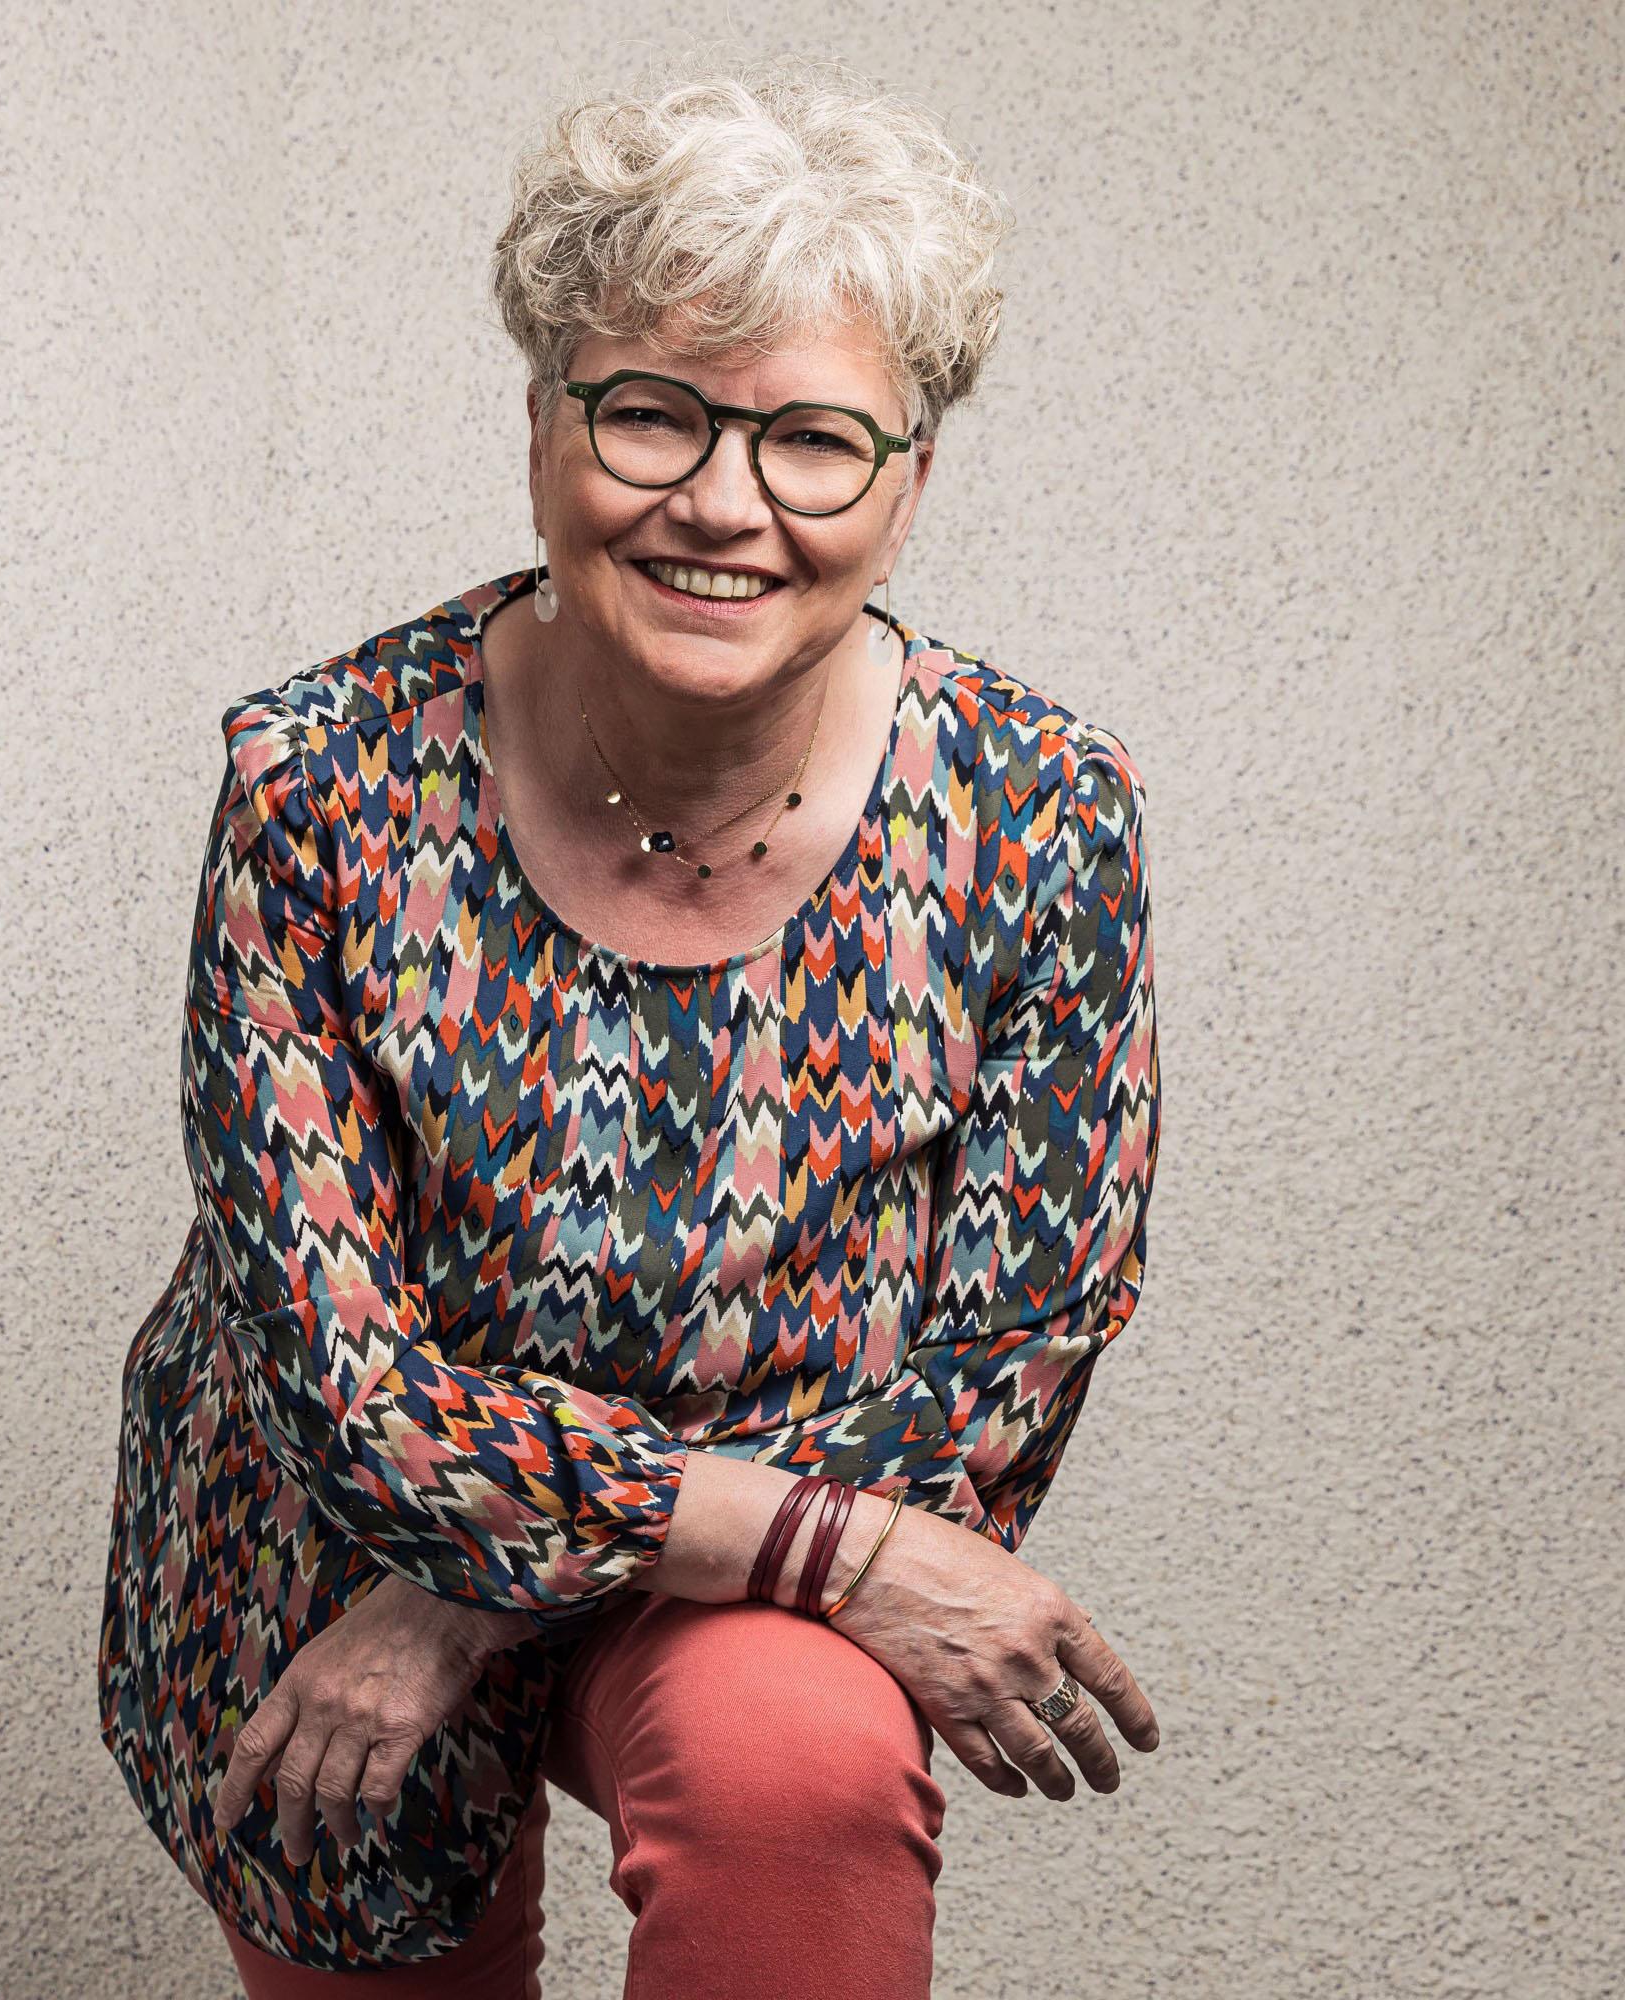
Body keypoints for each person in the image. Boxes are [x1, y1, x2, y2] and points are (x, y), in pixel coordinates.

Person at [98, 52, 1164, 2000]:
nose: (723, 504)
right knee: (354, 1851)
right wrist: (782, 1540)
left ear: (909, 481)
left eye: (813, 439)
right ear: (542, 427)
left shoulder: (1037, 817)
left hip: (726, 1565)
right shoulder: (319, 787)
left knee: (798, 1764)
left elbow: (1002, 1370)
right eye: (653, 413)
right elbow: (357, 1406)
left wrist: (479, 1596)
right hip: (324, 1568)